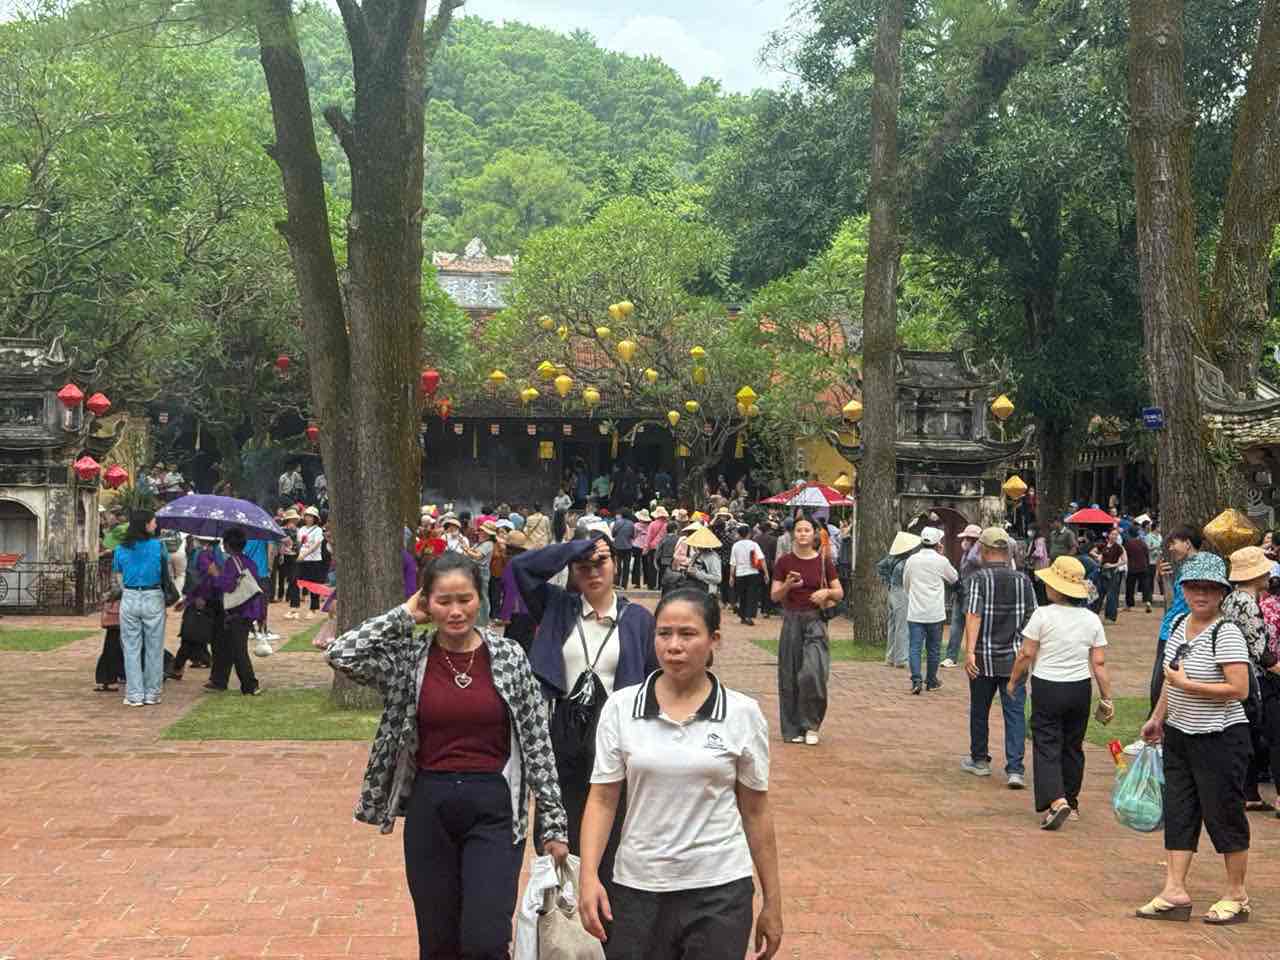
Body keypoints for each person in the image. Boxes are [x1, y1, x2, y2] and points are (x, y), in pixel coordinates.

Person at [323, 552, 570, 959]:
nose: (456, 611)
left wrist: (554, 823)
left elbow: (537, 740)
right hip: (430, 805)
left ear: (480, 599)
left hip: (494, 807)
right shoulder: (409, 659)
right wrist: (404, 615)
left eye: (465, 599)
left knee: (485, 940)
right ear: (427, 602)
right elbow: (341, 653)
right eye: (443, 601)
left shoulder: (509, 656)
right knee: (437, 942)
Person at [578, 589, 783, 960]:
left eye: (688, 634)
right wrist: (588, 876)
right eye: (664, 633)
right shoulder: (621, 708)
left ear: (714, 640)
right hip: (638, 886)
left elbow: (756, 811)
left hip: (719, 888)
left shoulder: (742, 714)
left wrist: (773, 901)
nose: (674, 646)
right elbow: (603, 799)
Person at [509, 527, 658, 889]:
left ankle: (607, 903)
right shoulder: (559, 607)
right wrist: (577, 547)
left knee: (613, 825)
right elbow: (521, 568)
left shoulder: (637, 619)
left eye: (601, 562)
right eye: (583, 566)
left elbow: (655, 678)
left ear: (616, 564)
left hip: (615, 735)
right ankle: (560, 907)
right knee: (559, 828)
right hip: (563, 734)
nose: (593, 571)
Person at [1137, 552, 1253, 925]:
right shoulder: (1179, 624)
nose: (1201, 594)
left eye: (1209, 588)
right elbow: (1171, 678)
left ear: (1221, 593)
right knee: (1180, 810)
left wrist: (1189, 685)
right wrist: (1157, 718)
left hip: (1220, 737)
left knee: (1223, 812)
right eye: (1193, 587)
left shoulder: (1226, 632)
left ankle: (1237, 894)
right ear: (1183, 589)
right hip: (1180, 734)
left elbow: (1239, 689)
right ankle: (1174, 890)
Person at [1007, 556, 1113, 828]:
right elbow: (1099, 663)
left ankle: (1056, 800)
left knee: (1046, 743)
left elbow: (1026, 653)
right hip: (1080, 688)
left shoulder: (1042, 615)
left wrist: (1013, 681)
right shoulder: (1092, 619)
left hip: (1048, 686)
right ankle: (1072, 802)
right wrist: (1106, 697)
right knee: (1073, 746)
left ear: (1055, 588)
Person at [962, 527, 1037, 787]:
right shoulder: (1023, 581)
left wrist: (969, 652)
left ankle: (980, 760)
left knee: (979, 709)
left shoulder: (978, 579)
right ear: (1007, 552)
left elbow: (974, 615)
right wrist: (1028, 652)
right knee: (1014, 713)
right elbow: (1032, 618)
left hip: (983, 657)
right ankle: (1015, 768)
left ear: (983, 550)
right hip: (1015, 659)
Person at [770, 516, 842, 746]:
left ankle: (811, 724)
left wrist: (826, 593)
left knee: (813, 673)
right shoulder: (784, 562)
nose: (802, 534)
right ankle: (792, 728)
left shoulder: (823, 562)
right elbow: (774, 596)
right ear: (794, 534)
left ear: (814, 534)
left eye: (807, 530)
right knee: (789, 676)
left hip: (815, 622)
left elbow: (839, 592)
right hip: (791, 621)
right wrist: (788, 584)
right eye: (799, 530)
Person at [1221, 546, 1273, 810]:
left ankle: (1248, 792)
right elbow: (1260, 650)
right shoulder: (1248, 604)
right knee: (1253, 736)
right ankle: (1246, 792)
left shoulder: (1231, 599)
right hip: (1252, 677)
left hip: (1235, 673)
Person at [111, 510, 171, 707]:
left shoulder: (120, 548)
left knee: (131, 648)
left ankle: (134, 694)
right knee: (154, 648)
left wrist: (129, 591)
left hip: (130, 595)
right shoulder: (158, 546)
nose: (155, 525)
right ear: (145, 524)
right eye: (153, 522)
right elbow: (166, 572)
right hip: (153, 595)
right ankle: (152, 693)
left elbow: (118, 576)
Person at [205, 527, 264, 696]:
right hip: (247, 610)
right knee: (226, 646)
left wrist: (215, 574)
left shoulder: (232, 563)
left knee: (238, 650)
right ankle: (219, 680)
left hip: (238, 611)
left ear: (227, 545)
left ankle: (250, 685)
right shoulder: (248, 561)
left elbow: (228, 586)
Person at [1151, 526, 1202, 711]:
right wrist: (1163, 578)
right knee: (1158, 684)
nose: (1171, 548)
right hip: (1169, 630)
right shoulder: (1183, 568)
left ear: (1187, 543)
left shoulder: (1200, 567)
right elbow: (1172, 601)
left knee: (1161, 685)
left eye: (1174, 543)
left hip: (1181, 633)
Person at [903, 527, 958, 695]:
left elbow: (906, 583)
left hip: (915, 612)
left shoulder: (912, 560)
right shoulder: (941, 561)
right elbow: (954, 578)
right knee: (933, 649)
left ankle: (916, 680)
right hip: (935, 612)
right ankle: (932, 681)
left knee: (914, 648)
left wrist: (913, 596)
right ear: (937, 543)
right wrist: (941, 555)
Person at [876, 531, 921, 669]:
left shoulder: (891, 558)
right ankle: (901, 659)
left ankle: (890, 657)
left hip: (892, 592)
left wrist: (887, 580)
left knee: (893, 625)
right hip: (902, 592)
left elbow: (880, 566)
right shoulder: (905, 562)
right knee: (902, 626)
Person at [943, 525, 982, 668]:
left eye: (968, 538)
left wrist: (977, 545)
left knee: (972, 626)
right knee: (956, 625)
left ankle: (974, 656)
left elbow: (973, 559)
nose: (964, 541)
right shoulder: (966, 554)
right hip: (961, 593)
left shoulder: (978, 555)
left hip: (973, 595)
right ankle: (951, 657)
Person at [728, 524, 768, 626]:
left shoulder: (735, 546)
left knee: (742, 595)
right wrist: (766, 573)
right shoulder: (754, 544)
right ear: (749, 534)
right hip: (753, 573)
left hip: (740, 573)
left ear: (739, 534)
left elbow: (733, 563)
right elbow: (762, 559)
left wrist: (731, 576)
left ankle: (742, 616)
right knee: (751, 595)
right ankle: (749, 616)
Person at [291, 506, 326, 620]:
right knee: (295, 581)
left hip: (314, 561)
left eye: (311, 516)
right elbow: (299, 543)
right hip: (301, 560)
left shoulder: (318, 530)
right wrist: (296, 551)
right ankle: (294, 608)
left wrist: (304, 555)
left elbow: (316, 545)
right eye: (307, 516)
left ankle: (313, 609)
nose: (308, 518)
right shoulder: (301, 529)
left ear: (315, 518)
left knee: (313, 585)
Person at [1099, 527, 1126, 623]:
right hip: (1102, 572)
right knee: (1100, 593)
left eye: (1116, 535)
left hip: (1113, 573)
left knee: (1112, 596)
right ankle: (1095, 614)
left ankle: (1110, 617)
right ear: (1108, 535)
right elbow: (1095, 552)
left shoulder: (1119, 547)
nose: (1114, 536)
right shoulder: (1103, 545)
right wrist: (1099, 558)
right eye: (1113, 534)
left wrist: (1113, 565)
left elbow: (1124, 561)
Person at [1125, 528, 1153, 613]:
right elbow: (1147, 555)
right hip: (1143, 567)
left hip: (1132, 568)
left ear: (1129, 534)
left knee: (1130, 587)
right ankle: (1148, 602)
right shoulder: (1142, 543)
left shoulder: (1127, 544)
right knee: (1146, 586)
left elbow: (1126, 556)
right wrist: (1147, 565)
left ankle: (1129, 605)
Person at [611, 510, 636, 588]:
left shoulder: (617, 522)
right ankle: (624, 584)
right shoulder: (631, 524)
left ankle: (617, 582)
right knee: (626, 566)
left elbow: (613, 534)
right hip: (628, 547)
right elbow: (633, 535)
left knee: (618, 565)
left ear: (622, 515)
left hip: (617, 546)